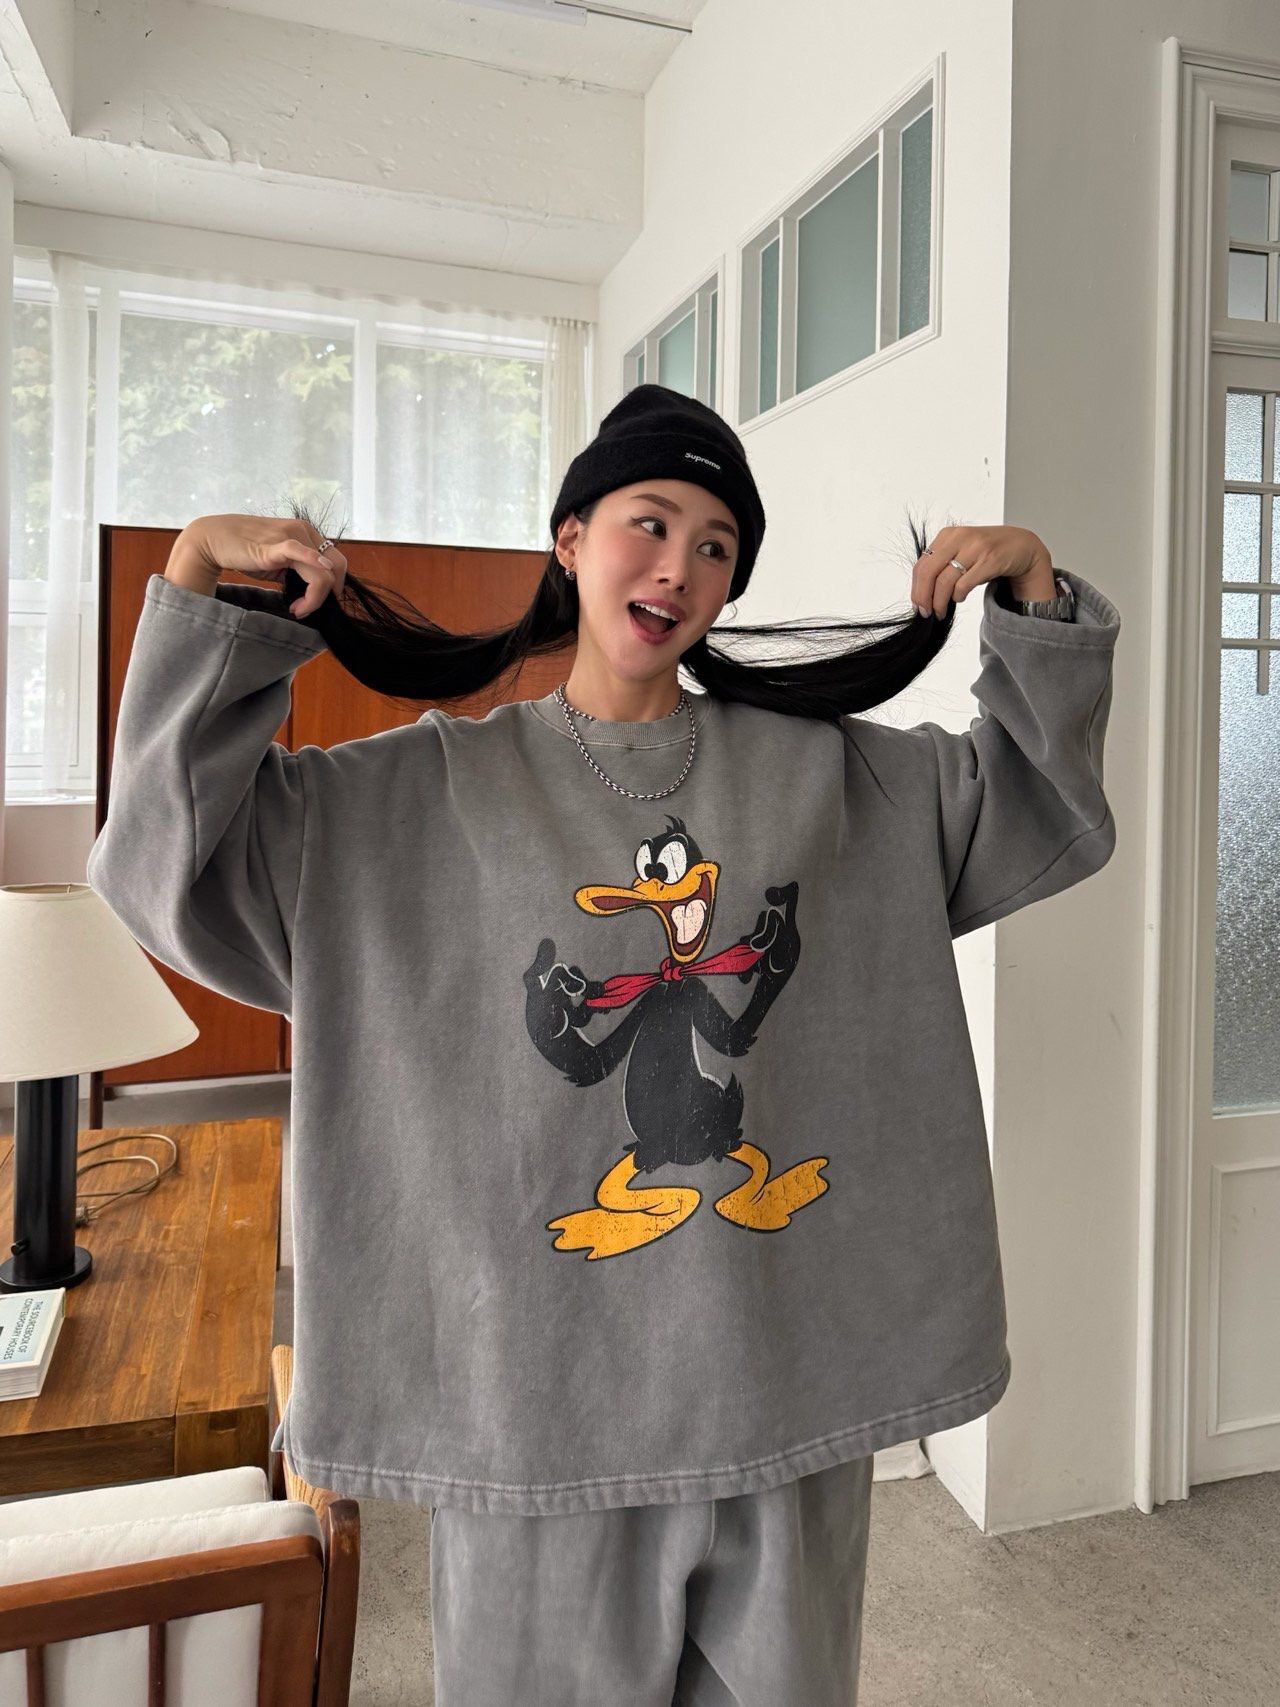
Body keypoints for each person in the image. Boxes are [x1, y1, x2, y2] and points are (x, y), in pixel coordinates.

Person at [86, 384, 1121, 1704]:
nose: (678, 565)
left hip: (782, 1403)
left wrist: (1034, 596)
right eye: (650, 522)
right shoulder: (418, 794)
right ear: (570, 537)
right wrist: (202, 591)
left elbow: (1033, 806)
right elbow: (169, 861)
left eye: (715, 545)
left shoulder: (832, 776)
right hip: (533, 1419)